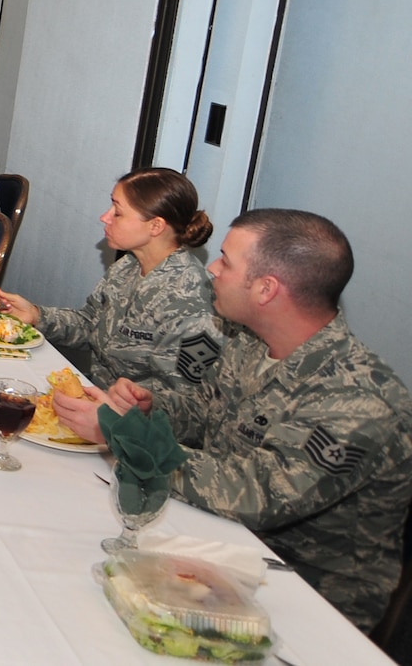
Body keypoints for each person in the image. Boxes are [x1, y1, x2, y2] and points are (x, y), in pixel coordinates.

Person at [54, 209, 412, 631]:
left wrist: (123, 435)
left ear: (266, 289)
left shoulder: (360, 399)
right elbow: (205, 408)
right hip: (215, 542)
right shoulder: (251, 342)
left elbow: (256, 493)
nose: (212, 270)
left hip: (302, 604)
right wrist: (147, 408)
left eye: (225, 260)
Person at [0, 168, 223, 392]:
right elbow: (91, 324)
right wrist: (37, 316)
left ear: (156, 226)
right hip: (98, 398)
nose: (105, 217)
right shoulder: (128, 266)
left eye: (118, 212)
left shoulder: (188, 298)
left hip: (133, 424)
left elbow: (182, 401)